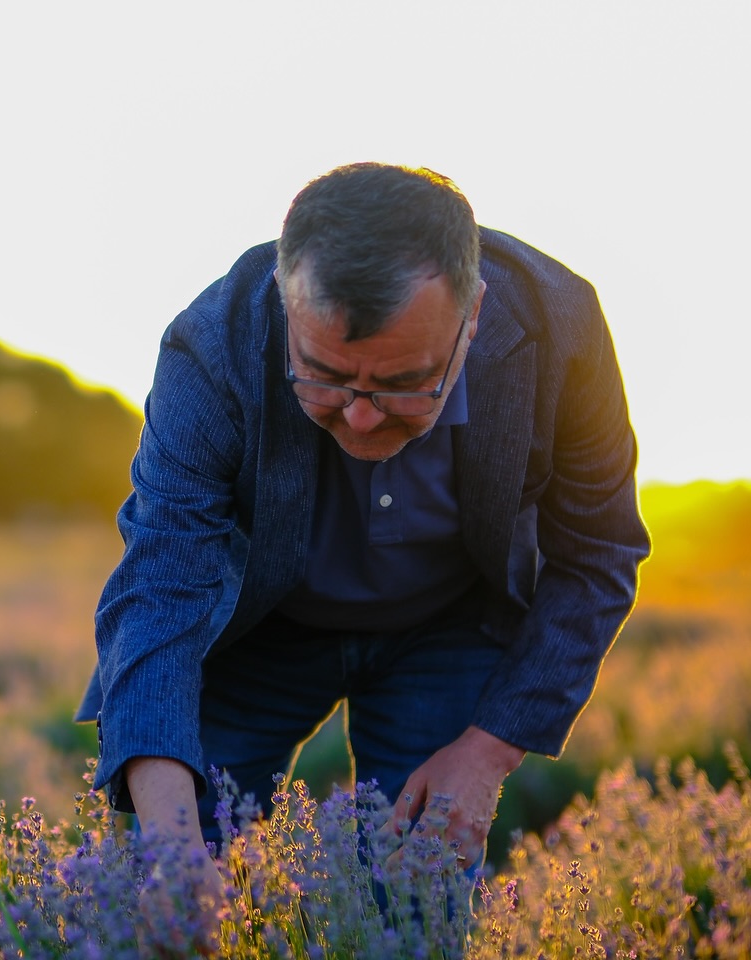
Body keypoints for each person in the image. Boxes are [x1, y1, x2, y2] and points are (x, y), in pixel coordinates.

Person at [76, 163, 649, 918]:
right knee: (175, 878)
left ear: (473, 315)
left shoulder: (560, 325)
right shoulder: (213, 344)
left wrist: (486, 752)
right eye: (324, 377)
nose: (362, 417)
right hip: (259, 627)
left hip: (449, 626)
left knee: (414, 910)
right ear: (286, 303)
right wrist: (172, 848)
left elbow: (598, 555)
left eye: (404, 383)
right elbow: (159, 584)